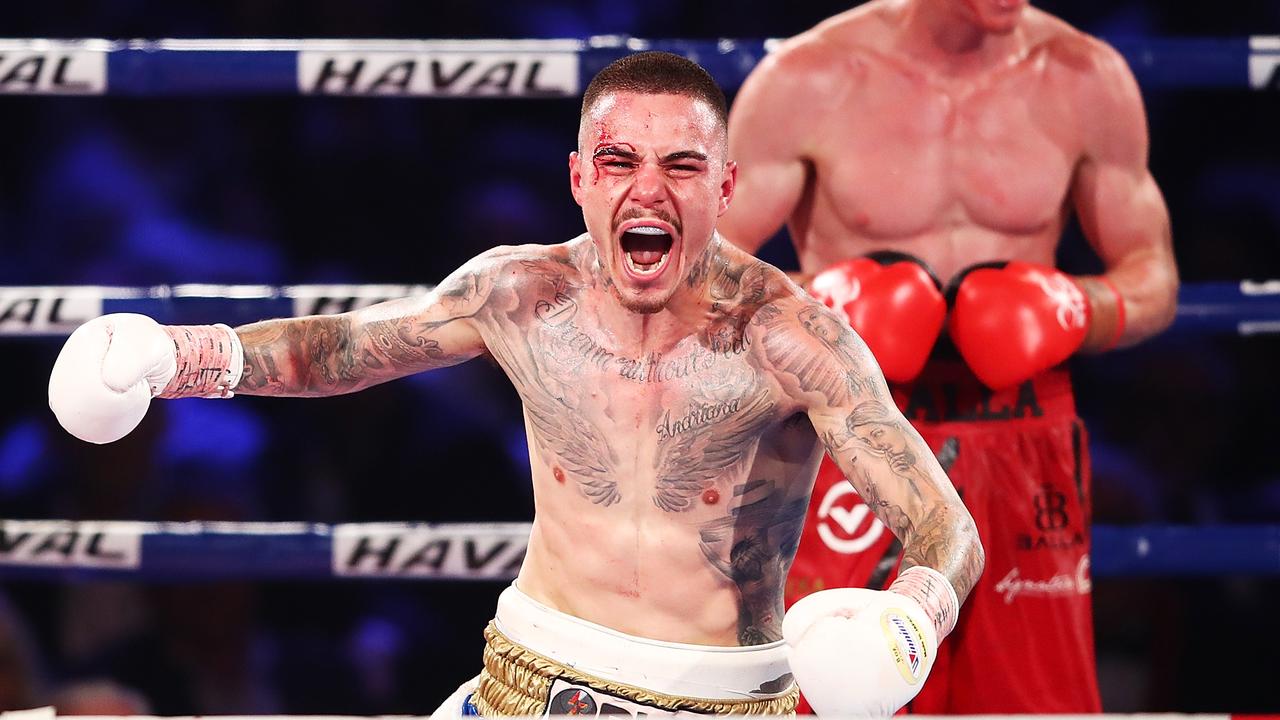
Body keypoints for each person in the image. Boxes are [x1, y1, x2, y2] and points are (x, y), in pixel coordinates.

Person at [48, 51, 984, 717]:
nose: (646, 191)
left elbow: (947, 531)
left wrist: (910, 621)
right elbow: (345, 349)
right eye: (619, 161)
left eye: (681, 165)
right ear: (579, 177)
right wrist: (182, 356)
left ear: (726, 185)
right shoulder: (522, 294)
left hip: (719, 704)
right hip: (526, 682)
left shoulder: (791, 339)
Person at [720, 0, 1178, 713]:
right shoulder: (807, 81)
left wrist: (1073, 307)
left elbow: (1153, 276)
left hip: (1024, 437)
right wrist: (826, 303)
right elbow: (705, 277)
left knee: (1034, 706)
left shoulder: (1086, 79)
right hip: (857, 430)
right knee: (841, 694)